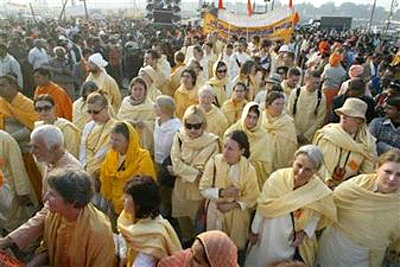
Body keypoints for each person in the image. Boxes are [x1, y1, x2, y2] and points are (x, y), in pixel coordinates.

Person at [245, 145, 336, 267]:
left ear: (316, 171)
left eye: (308, 169)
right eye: (299, 166)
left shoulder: (318, 191)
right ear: (293, 162)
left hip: (291, 241)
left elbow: (316, 215)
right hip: (269, 233)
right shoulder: (277, 178)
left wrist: (304, 232)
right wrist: (255, 230)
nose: (301, 172)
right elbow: (263, 207)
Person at [0, 125, 82, 252]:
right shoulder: (51, 161)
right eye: (31, 146)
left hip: (71, 231)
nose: (31, 151)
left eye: (36, 147)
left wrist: (10, 239)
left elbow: (49, 211)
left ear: (54, 147)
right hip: (55, 224)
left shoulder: (70, 172)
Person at [317, 150, 400, 267]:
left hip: (365, 258)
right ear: (377, 167)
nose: (392, 179)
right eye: (388, 172)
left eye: (399, 175)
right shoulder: (355, 187)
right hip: (335, 247)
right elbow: (327, 205)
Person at [27, 169, 115, 266]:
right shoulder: (54, 214)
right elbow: (47, 249)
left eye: (52, 195)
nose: (45, 198)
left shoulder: (99, 232)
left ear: (72, 202)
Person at [199, 130, 259, 250]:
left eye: (230, 149)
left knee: (231, 250)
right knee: (213, 247)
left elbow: (252, 197)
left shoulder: (248, 170)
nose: (225, 152)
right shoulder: (214, 162)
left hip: (236, 217)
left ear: (242, 151)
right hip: (215, 212)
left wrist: (232, 205)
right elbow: (203, 189)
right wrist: (222, 193)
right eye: (225, 147)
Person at [170, 105, 219, 245]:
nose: (192, 130)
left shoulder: (212, 142)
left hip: (199, 192)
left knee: (199, 224)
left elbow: (205, 170)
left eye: (196, 126)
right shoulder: (179, 137)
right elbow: (176, 163)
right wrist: (192, 171)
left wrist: (183, 170)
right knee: (183, 221)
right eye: (188, 125)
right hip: (180, 189)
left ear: (203, 125)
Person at [117, 176, 182, 266]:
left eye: (127, 197)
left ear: (139, 204)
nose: (123, 199)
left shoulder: (154, 235)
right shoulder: (127, 218)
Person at [313, 98, 377, 189]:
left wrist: (347, 187)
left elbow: (366, 174)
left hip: (347, 190)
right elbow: (315, 160)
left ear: (359, 120)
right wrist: (327, 179)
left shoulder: (368, 143)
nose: (343, 117)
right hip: (318, 184)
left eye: (349, 114)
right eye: (342, 114)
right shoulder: (327, 134)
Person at [100, 121, 156, 215]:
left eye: (117, 140)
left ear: (129, 140)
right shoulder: (111, 155)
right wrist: (109, 198)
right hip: (114, 205)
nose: (113, 143)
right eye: (111, 138)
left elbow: (146, 188)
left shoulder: (142, 158)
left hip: (135, 209)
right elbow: (106, 178)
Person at [0, 75, 41, 199]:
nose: (0, 89)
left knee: (34, 182)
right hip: (8, 153)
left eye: (3, 85)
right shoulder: (2, 103)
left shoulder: (27, 104)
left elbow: (34, 127)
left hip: (27, 150)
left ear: (14, 86)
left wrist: (9, 139)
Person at [225, 102, 273, 189]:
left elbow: (266, 163)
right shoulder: (232, 131)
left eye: (255, 118)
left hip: (253, 178)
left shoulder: (264, 136)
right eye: (249, 116)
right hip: (232, 177)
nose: (251, 121)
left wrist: (248, 164)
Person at [0, 130, 37, 232]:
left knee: (16, 223)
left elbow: (17, 166)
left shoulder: (5, 139)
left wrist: (22, 191)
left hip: (8, 191)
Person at [153, 95, 181, 217]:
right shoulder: (157, 122)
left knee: (167, 196)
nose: (154, 108)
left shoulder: (176, 128)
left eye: (156, 106)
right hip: (156, 163)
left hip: (168, 166)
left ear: (164, 109)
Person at [80, 92, 116, 176]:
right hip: (86, 171)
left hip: (105, 172)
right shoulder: (88, 126)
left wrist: (92, 170)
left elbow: (103, 153)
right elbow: (82, 150)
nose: (92, 116)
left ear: (106, 108)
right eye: (89, 112)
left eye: (96, 112)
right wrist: (84, 167)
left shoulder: (114, 127)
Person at [158, 230, 238, 267]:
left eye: (197, 261)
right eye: (191, 252)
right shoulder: (175, 262)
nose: (190, 260)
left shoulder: (224, 262)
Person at [287, 70, 327, 145]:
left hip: (309, 137)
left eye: (317, 83)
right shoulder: (296, 93)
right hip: (293, 133)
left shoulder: (321, 97)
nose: (315, 85)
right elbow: (289, 113)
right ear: (306, 80)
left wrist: (306, 135)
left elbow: (320, 119)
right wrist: (297, 133)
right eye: (313, 83)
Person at [117, 77, 155, 153]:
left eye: (140, 89)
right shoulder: (125, 103)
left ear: (145, 91)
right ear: (130, 90)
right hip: (126, 140)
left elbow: (155, 123)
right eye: (135, 89)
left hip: (142, 142)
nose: (137, 93)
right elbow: (118, 120)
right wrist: (128, 122)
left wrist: (145, 124)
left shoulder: (151, 106)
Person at [263, 91, 298, 171]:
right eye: (277, 104)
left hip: (281, 163)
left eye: (282, 104)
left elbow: (291, 146)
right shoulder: (261, 119)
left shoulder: (288, 122)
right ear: (269, 104)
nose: (280, 107)